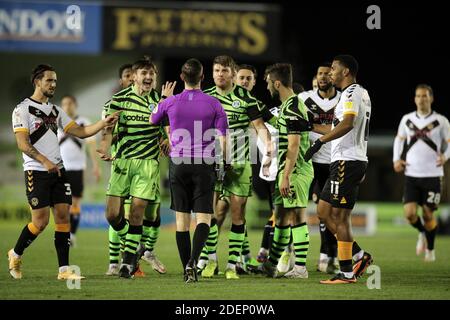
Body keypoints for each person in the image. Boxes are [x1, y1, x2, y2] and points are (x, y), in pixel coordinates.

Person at [8, 64, 119, 280]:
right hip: (36, 171)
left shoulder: (55, 110)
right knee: (40, 223)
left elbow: (81, 131)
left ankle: (64, 270)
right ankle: (15, 253)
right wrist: (44, 161)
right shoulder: (22, 110)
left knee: (63, 217)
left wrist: (103, 123)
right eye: (49, 80)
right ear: (37, 82)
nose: (53, 85)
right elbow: (22, 144)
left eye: (55, 81)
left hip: (58, 171)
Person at [151, 58, 228, 283]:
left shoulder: (171, 102)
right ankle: (194, 261)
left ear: (182, 77)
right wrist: (223, 163)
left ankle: (187, 267)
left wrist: (164, 99)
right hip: (204, 164)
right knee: (204, 218)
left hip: (179, 164)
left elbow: (152, 119)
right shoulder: (214, 103)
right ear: (202, 77)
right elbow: (224, 138)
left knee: (182, 222)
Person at [99, 56, 175, 278]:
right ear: (134, 77)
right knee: (112, 215)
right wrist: (105, 146)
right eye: (144, 73)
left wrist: (168, 140)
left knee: (137, 211)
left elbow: (169, 131)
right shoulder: (118, 100)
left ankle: (128, 262)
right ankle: (139, 249)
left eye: (152, 73)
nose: (149, 77)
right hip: (122, 163)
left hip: (147, 164)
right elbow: (109, 130)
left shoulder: (160, 102)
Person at [197, 64, 276, 274]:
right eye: (216, 71)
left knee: (237, 213)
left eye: (224, 71)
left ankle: (233, 265)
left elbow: (261, 126)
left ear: (231, 74)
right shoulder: (205, 97)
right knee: (211, 213)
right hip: (212, 163)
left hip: (240, 164)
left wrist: (269, 150)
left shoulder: (248, 100)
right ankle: (210, 260)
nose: (220, 75)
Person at [304, 54, 373, 284]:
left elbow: (347, 124)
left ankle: (346, 272)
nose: (330, 72)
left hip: (347, 161)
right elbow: (338, 126)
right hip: (348, 160)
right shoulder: (357, 93)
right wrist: (311, 126)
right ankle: (358, 255)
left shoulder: (352, 93)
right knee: (323, 211)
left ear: (346, 72)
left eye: (334, 69)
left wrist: (318, 143)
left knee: (339, 217)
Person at [261, 63, 314, 279]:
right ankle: (271, 265)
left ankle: (300, 268)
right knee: (281, 217)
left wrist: (285, 177)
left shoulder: (292, 107)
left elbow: (293, 145)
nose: (267, 88)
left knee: (297, 217)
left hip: (295, 171)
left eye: (267, 83)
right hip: (288, 169)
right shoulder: (288, 106)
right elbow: (283, 126)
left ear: (277, 83)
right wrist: (261, 112)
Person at [393, 84, 449, 262]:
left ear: (431, 98)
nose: (421, 99)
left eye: (424, 96)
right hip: (411, 173)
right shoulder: (407, 119)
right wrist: (396, 159)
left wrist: (445, 156)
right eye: (418, 96)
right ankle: (423, 233)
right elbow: (399, 140)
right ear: (414, 99)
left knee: (428, 214)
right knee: (409, 214)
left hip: (433, 174)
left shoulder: (441, 121)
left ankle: (430, 250)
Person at [299, 62, 340, 273]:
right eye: (319, 73)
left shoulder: (344, 99)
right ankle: (323, 255)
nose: (323, 77)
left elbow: (342, 128)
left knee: (331, 212)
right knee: (314, 208)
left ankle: (331, 254)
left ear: (333, 77)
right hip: (310, 163)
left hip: (334, 162)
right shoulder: (304, 99)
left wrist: (312, 125)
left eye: (326, 73)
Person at [58, 95, 101, 247]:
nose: (67, 106)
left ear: (75, 105)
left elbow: (91, 145)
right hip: (60, 169)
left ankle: (72, 235)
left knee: (75, 202)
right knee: (62, 204)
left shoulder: (83, 122)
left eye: (69, 103)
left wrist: (96, 165)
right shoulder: (58, 122)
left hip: (77, 168)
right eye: (64, 103)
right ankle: (63, 234)